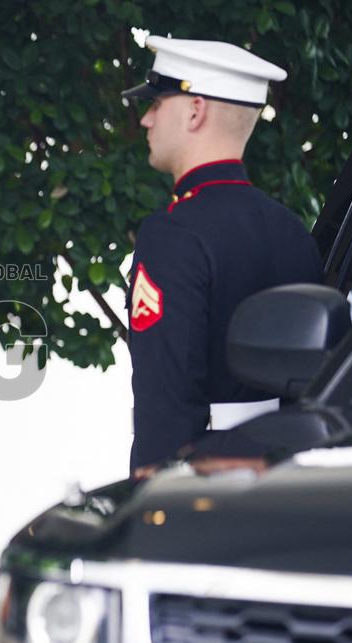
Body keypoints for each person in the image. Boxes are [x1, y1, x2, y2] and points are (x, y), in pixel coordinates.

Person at [121, 36, 323, 472]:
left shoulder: (172, 234)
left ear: (195, 111)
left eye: (157, 103)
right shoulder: (291, 231)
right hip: (289, 469)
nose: (145, 120)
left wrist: (151, 501)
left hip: (200, 477)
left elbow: (167, 401)